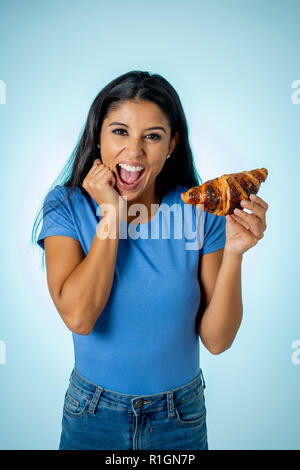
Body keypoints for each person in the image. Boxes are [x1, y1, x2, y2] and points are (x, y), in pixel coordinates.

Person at [32, 70, 268, 450]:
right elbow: (79, 316)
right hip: (93, 413)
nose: (134, 152)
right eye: (120, 132)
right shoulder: (65, 206)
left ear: (172, 143)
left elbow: (217, 340)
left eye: (152, 136)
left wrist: (235, 255)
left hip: (180, 416)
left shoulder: (199, 212)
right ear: (98, 136)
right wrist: (111, 213)